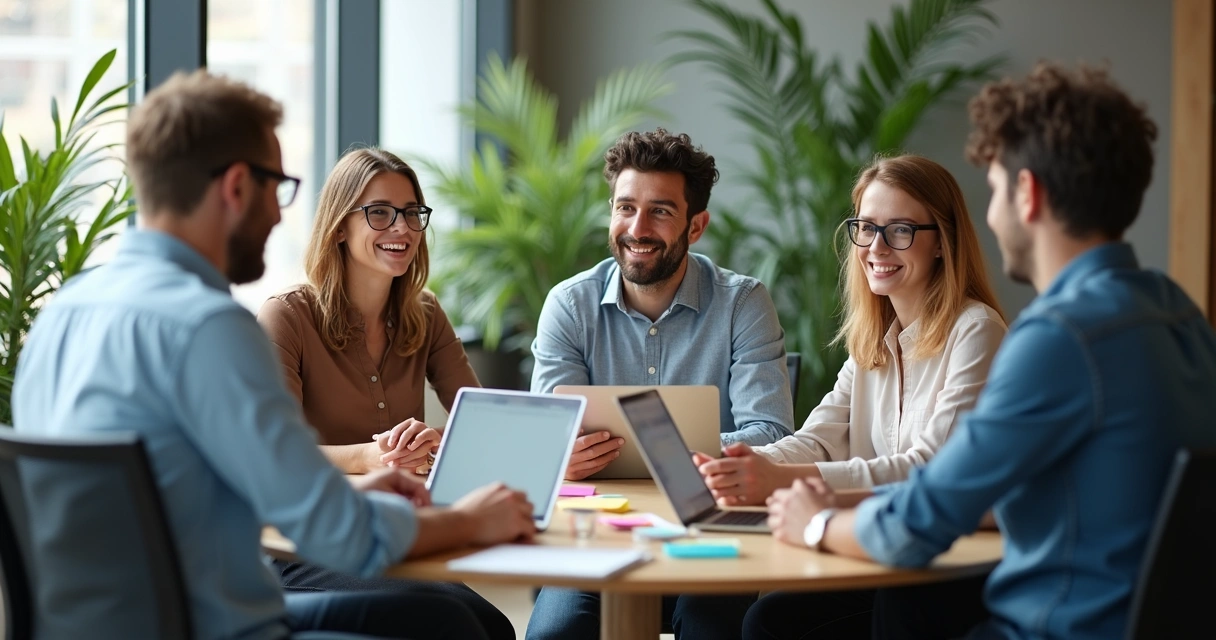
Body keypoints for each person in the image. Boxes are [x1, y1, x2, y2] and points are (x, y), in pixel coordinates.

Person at [12, 70, 535, 640]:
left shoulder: (61, 314)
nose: (281, 215)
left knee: (451, 617)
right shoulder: (210, 327)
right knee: (458, 629)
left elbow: (238, 489)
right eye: (276, 188)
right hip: (218, 625)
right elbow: (334, 532)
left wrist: (354, 486)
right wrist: (470, 520)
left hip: (106, 624)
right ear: (237, 187)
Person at [763, 63, 1216, 640]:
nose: (993, 216)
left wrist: (816, 522)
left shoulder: (1059, 338)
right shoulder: (1178, 312)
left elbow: (920, 520)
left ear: (1027, 194)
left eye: (996, 188)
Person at [686, 154, 1005, 638]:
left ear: (942, 241)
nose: (877, 246)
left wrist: (778, 478)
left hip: (945, 568)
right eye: (866, 228)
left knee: (771, 625)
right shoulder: (876, 339)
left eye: (899, 230)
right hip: (881, 552)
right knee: (766, 619)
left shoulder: (975, 330)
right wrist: (740, 460)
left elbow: (931, 469)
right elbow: (819, 439)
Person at [526, 128, 792, 639]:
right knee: (553, 635)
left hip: (710, 531)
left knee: (708, 630)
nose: (637, 227)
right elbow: (547, 435)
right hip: (596, 535)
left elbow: (773, 434)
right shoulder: (569, 305)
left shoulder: (742, 303)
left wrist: (663, 450)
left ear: (696, 226)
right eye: (625, 207)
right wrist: (562, 452)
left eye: (661, 211)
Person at [257, 147, 513, 639]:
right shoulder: (285, 317)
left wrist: (435, 441)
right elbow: (276, 457)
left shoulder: (425, 313)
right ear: (339, 226)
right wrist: (371, 458)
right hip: (305, 545)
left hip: (394, 534)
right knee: (459, 626)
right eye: (379, 213)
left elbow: (483, 421)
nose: (402, 228)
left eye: (412, 213)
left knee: (493, 626)